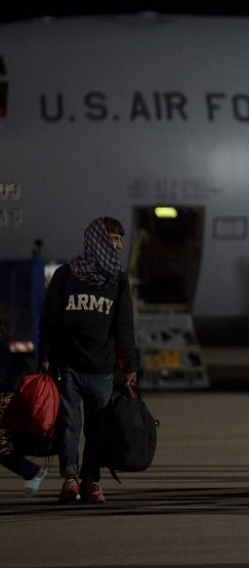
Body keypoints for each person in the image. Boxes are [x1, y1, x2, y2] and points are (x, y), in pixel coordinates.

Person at [38, 216, 139, 505]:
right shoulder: (65, 275)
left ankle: (91, 479)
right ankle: (70, 479)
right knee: (69, 424)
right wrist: (44, 357)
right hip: (66, 365)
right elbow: (49, 321)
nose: (119, 246)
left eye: (120, 239)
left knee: (98, 429)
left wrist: (129, 363)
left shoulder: (117, 280)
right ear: (97, 240)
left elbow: (124, 326)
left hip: (101, 368)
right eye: (114, 239)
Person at [0, 306, 49, 496]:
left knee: (2, 447)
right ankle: (30, 472)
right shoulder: (4, 345)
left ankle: (31, 471)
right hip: (5, 398)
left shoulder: (2, 346)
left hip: (2, 400)